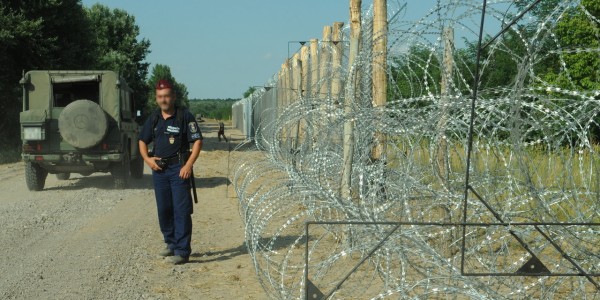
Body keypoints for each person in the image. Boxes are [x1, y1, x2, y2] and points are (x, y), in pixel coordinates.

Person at [138, 79, 203, 265]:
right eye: (160, 97)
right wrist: (147, 159)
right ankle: (171, 243)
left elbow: (197, 141)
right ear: (156, 98)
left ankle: (182, 251)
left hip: (179, 169)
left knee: (181, 210)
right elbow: (142, 140)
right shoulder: (154, 118)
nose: (163, 100)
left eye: (166, 96)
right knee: (164, 209)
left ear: (173, 97)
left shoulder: (184, 116)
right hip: (159, 170)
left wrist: (188, 165)